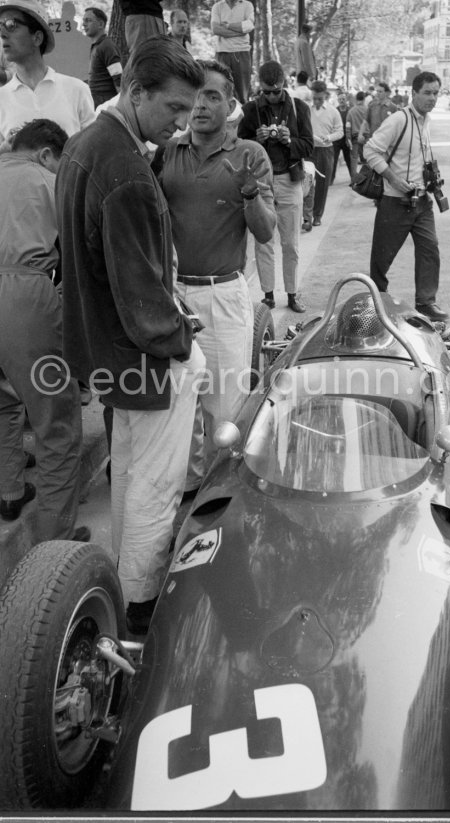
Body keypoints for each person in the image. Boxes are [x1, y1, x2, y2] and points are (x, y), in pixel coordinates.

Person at [56, 36, 206, 635]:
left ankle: (122, 587)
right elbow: (142, 296)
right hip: (142, 358)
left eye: (187, 112)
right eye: (173, 108)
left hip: (110, 351)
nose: (181, 123)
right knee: (154, 484)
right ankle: (140, 608)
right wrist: (182, 341)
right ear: (135, 92)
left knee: (133, 474)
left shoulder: (87, 145)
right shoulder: (124, 169)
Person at [159, 58, 275, 487]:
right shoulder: (167, 151)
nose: (201, 105)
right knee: (178, 409)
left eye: (212, 96)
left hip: (224, 297)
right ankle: (187, 496)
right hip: (171, 297)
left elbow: (265, 233)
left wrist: (248, 192)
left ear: (231, 104)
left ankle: (220, 497)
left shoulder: (250, 155)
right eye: (195, 96)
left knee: (225, 409)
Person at [0, 119, 89, 542]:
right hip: (23, 295)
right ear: (47, 154)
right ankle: (54, 545)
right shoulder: (47, 181)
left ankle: (9, 491)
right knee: (57, 421)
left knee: (2, 402)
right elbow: (74, 257)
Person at [364, 71, 448, 321]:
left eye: (435, 93)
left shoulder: (426, 121)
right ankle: (377, 302)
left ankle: (426, 302)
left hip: (421, 201)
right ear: (414, 93)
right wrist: (391, 177)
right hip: (395, 201)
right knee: (382, 257)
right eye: (427, 93)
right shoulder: (399, 120)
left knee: (429, 249)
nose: (432, 98)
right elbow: (370, 150)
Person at [238, 59, 313, 312]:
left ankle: (292, 294)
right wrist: (254, 141)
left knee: (291, 243)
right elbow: (239, 146)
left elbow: (309, 146)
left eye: (276, 91)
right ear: (260, 87)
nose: (271, 96)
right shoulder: (250, 110)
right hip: (262, 182)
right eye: (266, 92)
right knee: (263, 240)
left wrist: (289, 140)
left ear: (284, 85)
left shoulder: (299, 108)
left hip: (289, 178)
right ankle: (268, 294)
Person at [0, 0, 94, 148]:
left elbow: (94, 153)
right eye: (0, 26)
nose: (3, 34)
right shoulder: (2, 99)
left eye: (11, 24)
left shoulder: (77, 90)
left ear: (37, 38)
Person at [309, 79, 342, 225]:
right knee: (307, 183)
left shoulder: (333, 112)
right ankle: (306, 214)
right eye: (314, 98)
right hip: (309, 150)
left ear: (326, 96)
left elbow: (340, 131)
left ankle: (317, 215)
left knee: (322, 184)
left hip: (326, 150)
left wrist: (329, 137)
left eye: (320, 99)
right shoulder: (306, 109)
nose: (316, 101)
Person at [210, 0, 254, 105]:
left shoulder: (247, 5)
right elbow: (216, 29)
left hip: (242, 53)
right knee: (221, 93)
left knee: (242, 96)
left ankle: (242, 120)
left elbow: (249, 26)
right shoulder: (217, 6)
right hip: (222, 53)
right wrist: (240, 32)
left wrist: (228, 26)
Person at [82, 7, 122, 108]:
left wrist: (120, 108)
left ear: (100, 24)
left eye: (88, 20)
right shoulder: (97, 46)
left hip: (106, 107)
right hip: (97, 104)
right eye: (83, 21)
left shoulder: (107, 46)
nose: (83, 24)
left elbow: (118, 79)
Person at [345, 90, 367, 180]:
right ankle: (367, 178)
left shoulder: (351, 111)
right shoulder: (368, 110)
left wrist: (348, 138)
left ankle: (353, 179)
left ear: (356, 99)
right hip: (366, 137)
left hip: (354, 138)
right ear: (364, 99)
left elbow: (348, 126)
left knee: (354, 159)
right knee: (367, 159)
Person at [331, 88, 351, 184]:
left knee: (349, 160)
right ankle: (331, 179)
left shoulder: (350, 111)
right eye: (340, 99)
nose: (342, 100)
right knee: (333, 160)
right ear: (338, 100)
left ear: (346, 100)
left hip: (347, 139)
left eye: (343, 99)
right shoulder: (335, 111)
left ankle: (353, 178)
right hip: (337, 140)